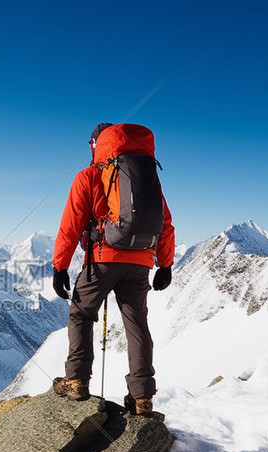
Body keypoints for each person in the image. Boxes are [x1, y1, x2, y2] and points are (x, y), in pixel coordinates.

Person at [51, 122, 175, 415]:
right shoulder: (147, 179)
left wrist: (60, 267)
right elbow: (164, 222)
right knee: (137, 324)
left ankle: (77, 380)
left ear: (96, 145)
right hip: (140, 262)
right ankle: (143, 398)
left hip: (103, 259)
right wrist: (165, 264)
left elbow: (70, 226)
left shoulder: (88, 176)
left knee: (81, 314)